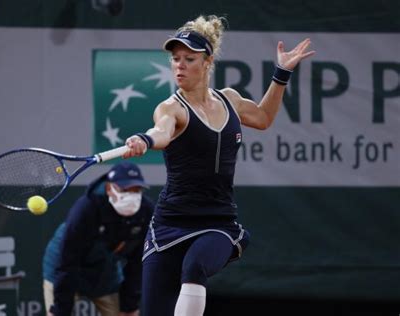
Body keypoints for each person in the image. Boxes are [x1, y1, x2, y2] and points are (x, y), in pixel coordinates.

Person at [122, 15, 315, 316]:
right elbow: (161, 131)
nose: (179, 66)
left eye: (189, 59)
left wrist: (282, 73)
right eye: (175, 59)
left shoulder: (231, 100)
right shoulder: (171, 109)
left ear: (208, 62)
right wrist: (144, 140)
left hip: (217, 224)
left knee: (195, 265)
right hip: (169, 226)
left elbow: (263, 118)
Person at [43, 162, 154, 316]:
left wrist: (129, 306)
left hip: (104, 271)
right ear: (109, 188)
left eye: (136, 190)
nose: (131, 196)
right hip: (63, 266)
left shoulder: (146, 211)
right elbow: (67, 262)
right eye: (125, 190)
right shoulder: (86, 209)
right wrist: (60, 309)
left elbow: (137, 263)